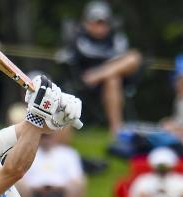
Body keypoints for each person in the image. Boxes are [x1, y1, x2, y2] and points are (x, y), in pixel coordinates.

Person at [60, 1, 141, 135]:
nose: (100, 27)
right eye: (96, 22)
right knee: (113, 78)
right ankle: (116, 130)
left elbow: (130, 59)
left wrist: (101, 72)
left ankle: (102, 74)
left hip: (106, 79)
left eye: (103, 23)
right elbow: (66, 58)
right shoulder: (78, 39)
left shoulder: (116, 38)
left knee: (133, 58)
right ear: (86, 23)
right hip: (87, 83)